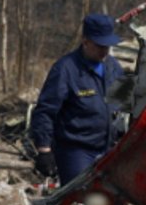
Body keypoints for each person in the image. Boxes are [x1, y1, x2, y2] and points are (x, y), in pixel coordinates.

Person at [30, 13, 124, 185]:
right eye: (100, 45)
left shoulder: (113, 68)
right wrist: (44, 149)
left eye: (108, 46)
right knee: (81, 202)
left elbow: (125, 101)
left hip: (108, 147)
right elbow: (45, 111)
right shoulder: (66, 70)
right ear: (86, 41)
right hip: (76, 151)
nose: (105, 51)